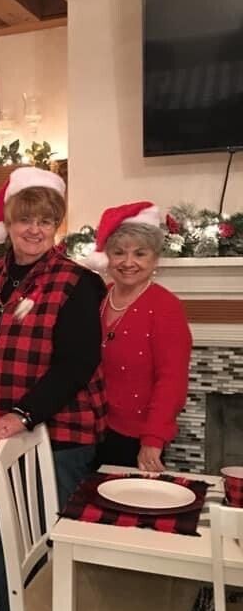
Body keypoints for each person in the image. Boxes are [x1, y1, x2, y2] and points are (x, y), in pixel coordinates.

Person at [0, 166, 107, 611]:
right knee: (4, 540)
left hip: (55, 438)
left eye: (46, 220)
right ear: (8, 223)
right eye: (26, 219)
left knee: (53, 540)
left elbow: (77, 364)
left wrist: (21, 413)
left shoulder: (79, 283)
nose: (34, 229)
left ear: (57, 224)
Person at [84, 202, 192, 472]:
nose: (128, 262)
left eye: (140, 254)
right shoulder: (98, 297)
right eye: (119, 253)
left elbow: (172, 380)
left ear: (154, 259)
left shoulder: (166, 307)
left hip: (138, 437)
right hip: (92, 429)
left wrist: (153, 439)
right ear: (107, 256)